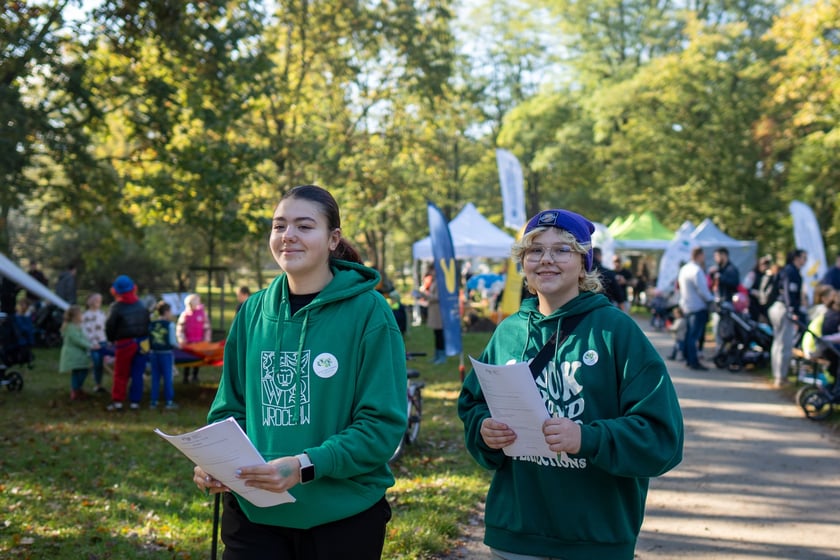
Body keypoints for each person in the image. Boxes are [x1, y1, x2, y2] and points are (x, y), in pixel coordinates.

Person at [191, 184, 406, 559]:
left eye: (304, 226)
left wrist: (305, 465)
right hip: (254, 517)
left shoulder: (370, 312)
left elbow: (381, 426)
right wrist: (215, 462)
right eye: (279, 226)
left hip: (343, 516)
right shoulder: (253, 311)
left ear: (333, 238)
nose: (288, 236)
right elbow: (229, 410)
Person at [458, 208, 683, 560]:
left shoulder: (617, 332)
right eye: (535, 250)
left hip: (594, 538)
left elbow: (662, 437)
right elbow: (473, 406)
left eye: (562, 250)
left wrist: (587, 438)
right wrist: (484, 431)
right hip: (515, 534)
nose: (546, 260)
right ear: (524, 262)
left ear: (583, 263)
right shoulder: (508, 332)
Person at [105, 275, 150, 411]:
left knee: (120, 373)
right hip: (143, 343)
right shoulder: (142, 304)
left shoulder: (116, 307)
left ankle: (118, 401)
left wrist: (111, 339)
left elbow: (110, 327)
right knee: (138, 372)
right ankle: (135, 402)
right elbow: (148, 324)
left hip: (125, 343)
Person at [768, 249, 808, 388]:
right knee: (784, 344)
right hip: (784, 309)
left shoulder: (786, 270)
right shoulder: (792, 272)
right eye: (804, 258)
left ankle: (777, 374)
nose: (805, 261)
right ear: (796, 258)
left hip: (777, 307)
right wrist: (792, 310)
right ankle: (780, 377)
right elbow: (788, 291)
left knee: (778, 343)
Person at [677, 247, 715, 370]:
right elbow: (703, 290)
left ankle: (688, 359)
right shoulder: (696, 270)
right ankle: (693, 361)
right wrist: (711, 299)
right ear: (699, 255)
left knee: (689, 335)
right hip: (697, 306)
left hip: (687, 306)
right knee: (694, 336)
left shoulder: (684, 269)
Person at [59, 305, 96, 401]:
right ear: (76, 316)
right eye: (81, 314)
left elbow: (83, 338)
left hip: (79, 353)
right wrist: (91, 346)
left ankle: (77, 389)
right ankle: (75, 390)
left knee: (82, 370)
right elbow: (78, 340)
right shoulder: (70, 328)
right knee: (78, 371)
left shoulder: (77, 327)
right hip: (73, 354)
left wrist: (91, 344)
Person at [148, 300, 179, 410]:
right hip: (166, 355)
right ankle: (169, 401)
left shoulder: (152, 324)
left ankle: (153, 401)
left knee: (155, 378)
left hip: (154, 354)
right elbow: (172, 341)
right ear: (166, 312)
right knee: (168, 378)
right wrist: (180, 346)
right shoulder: (169, 325)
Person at [176, 293, 212, 384]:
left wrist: (206, 339)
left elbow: (207, 328)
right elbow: (180, 328)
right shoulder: (185, 315)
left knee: (197, 360)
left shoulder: (203, 314)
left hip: (199, 342)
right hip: (188, 343)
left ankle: (195, 376)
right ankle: (185, 376)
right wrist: (181, 339)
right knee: (187, 359)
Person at [82, 292, 110, 394]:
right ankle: (97, 384)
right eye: (95, 300)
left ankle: (99, 384)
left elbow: (105, 328)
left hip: (103, 341)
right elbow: (85, 331)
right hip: (92, 344)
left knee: (101, 364)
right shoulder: (85, 316)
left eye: (99, 301)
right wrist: (93, 343)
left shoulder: (102, 314)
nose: (97, 303)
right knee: (97, 362)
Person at [418, 266, 446, 364]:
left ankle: (442, 356)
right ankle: (437, 354)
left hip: (438, 311)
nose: (431, 272)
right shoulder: (435, 281)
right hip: (434, 310)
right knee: (436, 333)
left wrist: (424, 293)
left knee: (439, 334)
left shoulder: (440, 282)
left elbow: (437, 297)